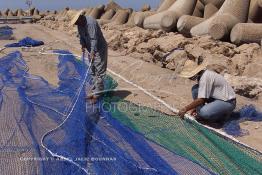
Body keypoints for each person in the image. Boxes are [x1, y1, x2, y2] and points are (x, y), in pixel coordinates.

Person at [70, 10, 108, 102]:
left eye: (76, 22)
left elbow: (94, 39)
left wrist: (92, 52)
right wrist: (82, 45)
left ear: (80, 17)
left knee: (99, 71)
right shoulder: (79, 25)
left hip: (98, 49)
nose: (76, 24)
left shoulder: (91, 23)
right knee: (92, 70)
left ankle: (98, 94)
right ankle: (95, 90)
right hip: (90, 49)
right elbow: (81, 36)